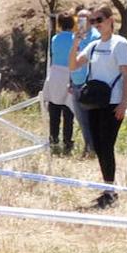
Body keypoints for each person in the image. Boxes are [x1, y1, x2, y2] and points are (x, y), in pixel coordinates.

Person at [69, 5, 127, 209]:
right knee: (98, 145)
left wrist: (123, 102)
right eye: (93, 20)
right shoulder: (94, 45)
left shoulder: (120, 44)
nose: (96, 23)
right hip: (95, 101)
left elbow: (126, 74)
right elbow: (73, 65)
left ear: (110, 20)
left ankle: (110, 191)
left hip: (112, 102)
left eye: (99, 19)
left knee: (107, 145)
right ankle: (108, 188)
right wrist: (76, 42)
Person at [67, 6, 99, 157]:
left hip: (88, 83)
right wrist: (69, 80)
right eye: (78, 18)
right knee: (81, 119)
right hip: (75, 82)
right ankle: (88, 148)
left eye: (84, 18)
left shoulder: (96, 37)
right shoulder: (76, 37)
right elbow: (72, 59)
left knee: (90, 119)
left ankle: (93, 149)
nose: (80, 21)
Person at [43, 13, 76, 155]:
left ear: (59, 24)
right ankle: (67, 142)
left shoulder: (55, 39)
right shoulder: (76, 39)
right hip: (69, 74)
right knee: (68, 111)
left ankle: (53, 139)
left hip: (55, 74)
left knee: (54, 109)